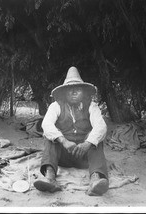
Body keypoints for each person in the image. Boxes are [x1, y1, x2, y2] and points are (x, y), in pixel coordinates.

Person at [33, 66, 109, 196]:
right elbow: (46, 124)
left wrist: (87, 144)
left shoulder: (92, 106)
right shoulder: (56, 106)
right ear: (64, 93)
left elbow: (101, 127)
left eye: (77, 89)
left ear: (84, 92)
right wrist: (63, 141)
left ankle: (95, 180)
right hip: (62, 156)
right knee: (51, 138)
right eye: (70, 89)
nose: (74, 92)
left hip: (84, 158)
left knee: (96, 140)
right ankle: (50, 178)